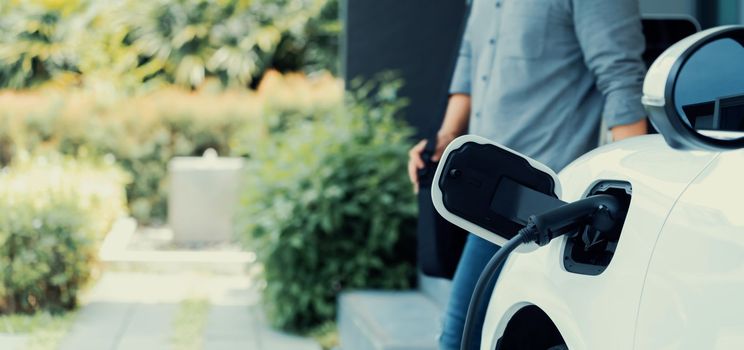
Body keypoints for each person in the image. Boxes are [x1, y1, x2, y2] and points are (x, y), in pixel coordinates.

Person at [407, 1, 649, 349]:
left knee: (459, 338)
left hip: (534, 200)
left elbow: (621, 80)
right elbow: (469, 61)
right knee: (469, 334)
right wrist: (444, 140)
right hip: (480, 187)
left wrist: (635, 197)